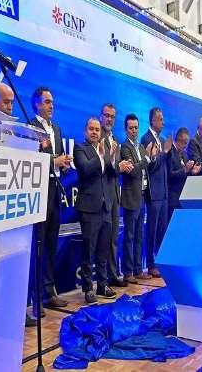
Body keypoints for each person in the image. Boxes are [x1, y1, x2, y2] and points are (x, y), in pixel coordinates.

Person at [27, 87, 72, 325]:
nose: (51, 105)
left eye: (52, 101)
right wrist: (54, 160)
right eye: (46, 101)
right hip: (39, 192)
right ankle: (35, 298)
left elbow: (59, 157)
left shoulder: (56, 129)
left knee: (52, 244)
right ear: (36, 103)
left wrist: (63, 164)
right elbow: (31, 158)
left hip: (55, 191)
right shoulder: (30, 126)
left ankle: (49, 291)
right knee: (39, 245)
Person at [74, 118, 117, 304]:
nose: (94, 132)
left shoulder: (105, 150)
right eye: (91, 129)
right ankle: (87, 288)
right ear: (86, 131)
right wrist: (101, 156)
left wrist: (112, 158)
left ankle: (102, 284)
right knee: (88, 250)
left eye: (97, 130)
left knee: (103, 250)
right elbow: (85, 169)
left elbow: (113, 173)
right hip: (89, 208)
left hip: (105, 207)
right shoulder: (80, 148)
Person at [141, 108, 172, 278]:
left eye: (163, 118)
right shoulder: (146, 139)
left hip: (164, 192)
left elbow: (165, 165)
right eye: (160, 119)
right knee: (152, 230)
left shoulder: (162, 140)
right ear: (152, 121)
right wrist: (164, 152)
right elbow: (150, 166)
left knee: (162, 230)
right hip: (153, 193)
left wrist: (169, 151)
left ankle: (161, 262)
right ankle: (151, 264)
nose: (163, 122)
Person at [120, 114, 151, 283]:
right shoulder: (124, 147)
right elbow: (132, 170)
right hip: (131, 197)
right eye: (131, 128)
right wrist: (146, 159)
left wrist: (150, 158)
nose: (134, 131)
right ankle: (128, 272)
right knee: (130, 236)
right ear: (126, 130)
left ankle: (138, 269)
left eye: (136, 128)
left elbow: (145, 167)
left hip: (142, 196)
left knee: (139, 235)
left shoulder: (141, 147)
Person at [99, 103, 127, 288]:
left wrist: (123, 166)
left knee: (113, 237)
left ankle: (113, 273)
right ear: (101, 116)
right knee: (104, 238)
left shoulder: (115, 139)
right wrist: (119, 166)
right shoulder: (97, 137)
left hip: (115, 193)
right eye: (106, 115)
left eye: (112, 116)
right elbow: (105, 165)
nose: (109, 119)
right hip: (102, 195)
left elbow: (115, 168)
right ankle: (104, 277)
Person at [167, 127, 201, 220]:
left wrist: (192, 171)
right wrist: (185, 170)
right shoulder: (170, 152)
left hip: (183, 198)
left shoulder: (184, 154)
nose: (186, 146)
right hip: (173, 199)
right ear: (179, 140)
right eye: (185, 143)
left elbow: (186, 172)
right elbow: (169, 175)